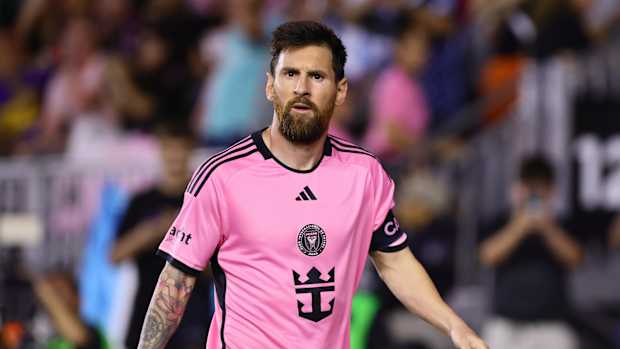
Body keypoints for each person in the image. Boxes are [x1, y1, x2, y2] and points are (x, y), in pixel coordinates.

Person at [138, 21, 487, 349]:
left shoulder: (363, 174)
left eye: (317, 76)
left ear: (340, 91)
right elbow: (177, 281)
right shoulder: (222, 176)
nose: (302, 88)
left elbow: (395, 263)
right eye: (290, 74)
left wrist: (455, 325)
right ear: (270, 86)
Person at [110, 122, 212, 349]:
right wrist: (154, 230)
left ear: (190, 150)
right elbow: (115, 255)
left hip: (193, 320)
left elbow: (217, 269)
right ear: (160, 150)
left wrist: (182, 240)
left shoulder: (203, 200)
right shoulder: (141, 201)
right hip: (146, 314)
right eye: (169, 148)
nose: (175, 156)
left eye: (180, 148)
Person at [479, 155, 583, 349]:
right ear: (518, 189)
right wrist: (521, 226)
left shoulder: (562, 223)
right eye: (529, 187)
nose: (534, 195)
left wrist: (547, 228)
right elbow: (488, 256)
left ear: (552, 191)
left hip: (552, 324)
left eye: (540, 188)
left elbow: (575, 258)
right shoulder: (500, 221)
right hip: (506, 323)